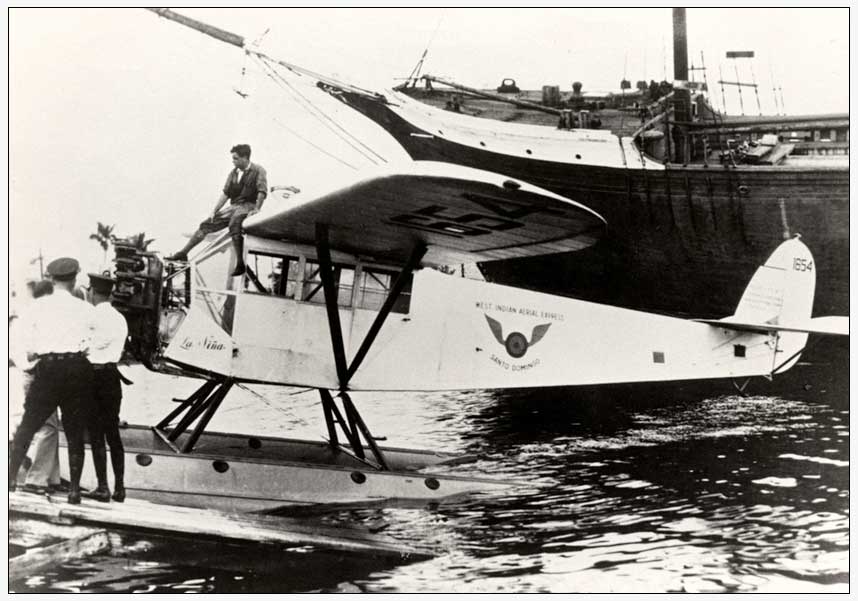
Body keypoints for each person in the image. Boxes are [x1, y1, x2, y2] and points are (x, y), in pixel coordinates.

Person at [8, 257, 96, 504]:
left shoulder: (37, 308)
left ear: (51, 278)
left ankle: (10, 479)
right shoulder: (87, 309)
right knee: (74, 430)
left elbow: (20, 342)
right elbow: (94, 345)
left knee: (29, 424)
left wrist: (30, 364)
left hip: (47, 369)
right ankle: (74, 490)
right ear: (75, 279)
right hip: (76, 368)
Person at [166, 144, 268, 276]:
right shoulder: (233, 173)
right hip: (234, 206)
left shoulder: (259, 170)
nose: (233, 161)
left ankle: (240, 264)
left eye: (236, 158)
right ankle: (183, 253)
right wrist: (214, 210)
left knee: (235, 223)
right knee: (206, 224)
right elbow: (226, 194)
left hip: (248, 205)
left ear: (245, 158)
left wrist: (257, 209)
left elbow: (262, 191)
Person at [17, 280, 66, 495]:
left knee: (50, 425)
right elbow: (27, 352)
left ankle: (52, 477)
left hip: (37, 374)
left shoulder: (29, 317)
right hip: (36, 374)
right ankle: (36, 479)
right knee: (47, 427)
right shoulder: (37, 319)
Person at [84, 273, 130, 502]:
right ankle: (120, 487)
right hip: (112, 376)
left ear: (91, 291)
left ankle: (103, 486)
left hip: (92, 377)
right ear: (110, 293)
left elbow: (86, 346)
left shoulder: (90, 316)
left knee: (95, 433)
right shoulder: (120, 318)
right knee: (112, 432)